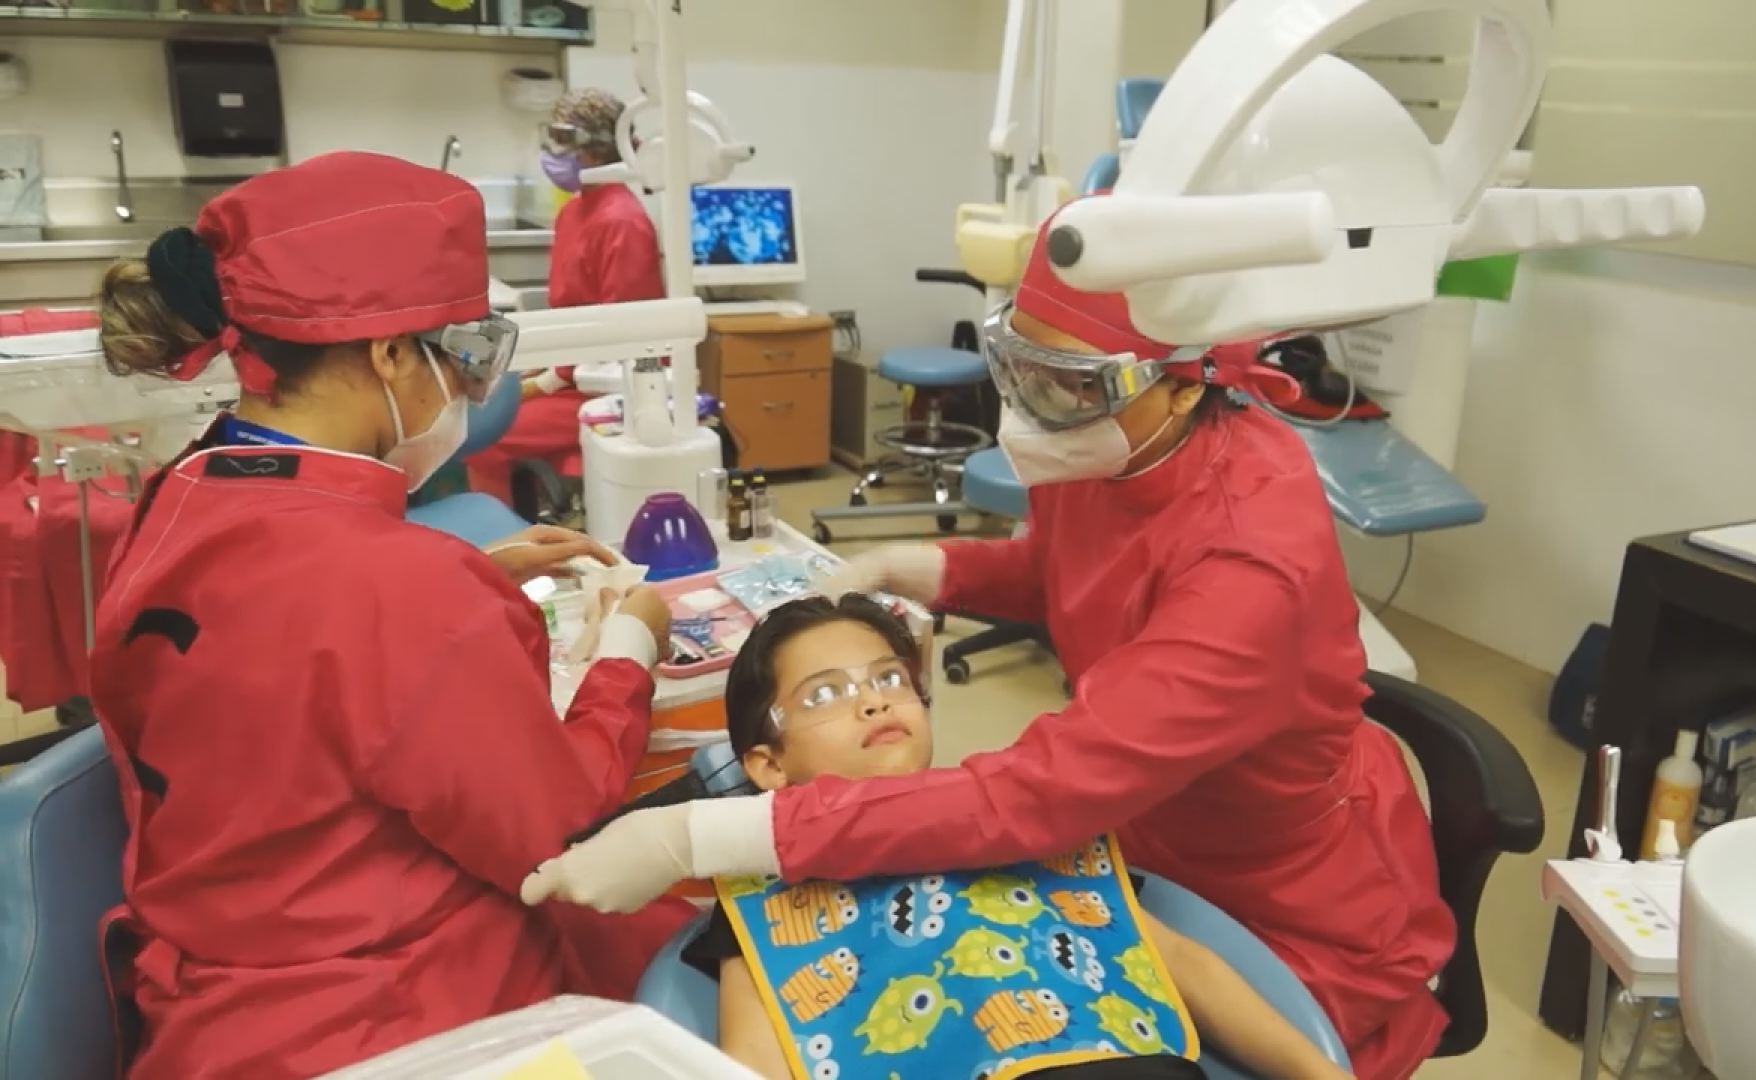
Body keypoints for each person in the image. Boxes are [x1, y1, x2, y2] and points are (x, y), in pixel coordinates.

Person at [523, 216, 1455, 1080]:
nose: (1032, 410)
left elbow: (1047, 801)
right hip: (1139, 830)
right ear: (764, 761)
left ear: (1183, 378)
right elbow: (1076, 571)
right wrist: (918, 566)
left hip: (1276, 893)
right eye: (1022, 368)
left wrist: (698, 833)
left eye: (887, 677)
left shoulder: (1251, 566)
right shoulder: (1113, 442)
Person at [88, 151, 692, 1079]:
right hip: (381, 1019)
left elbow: (280, 640)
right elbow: (558, 836)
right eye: (466, 357)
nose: (471, 389)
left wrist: (469, 576)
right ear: (390, 355)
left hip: (210, 1002)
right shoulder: (400, 587)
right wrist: (627, 647)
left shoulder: (185, 495)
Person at [681, 594, 1353, 1080]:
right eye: (825, 695)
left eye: (890, 678)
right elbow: (756, 1056)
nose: (875, 700)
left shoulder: (1019, 811)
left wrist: (1317, 1074)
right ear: (769, 765)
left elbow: (1179, 963)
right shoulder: (767, 896)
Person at [464, 88, 666, 504]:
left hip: (607, 386)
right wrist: (528, 368)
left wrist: (548, 381)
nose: (554, 153)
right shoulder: (575, 211)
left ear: (594, 149)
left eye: (563, 141)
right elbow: (569, 313)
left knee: (480, 433)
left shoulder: (623, 222)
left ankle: (506, 547)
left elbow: (623, 336)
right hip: (572, 369)